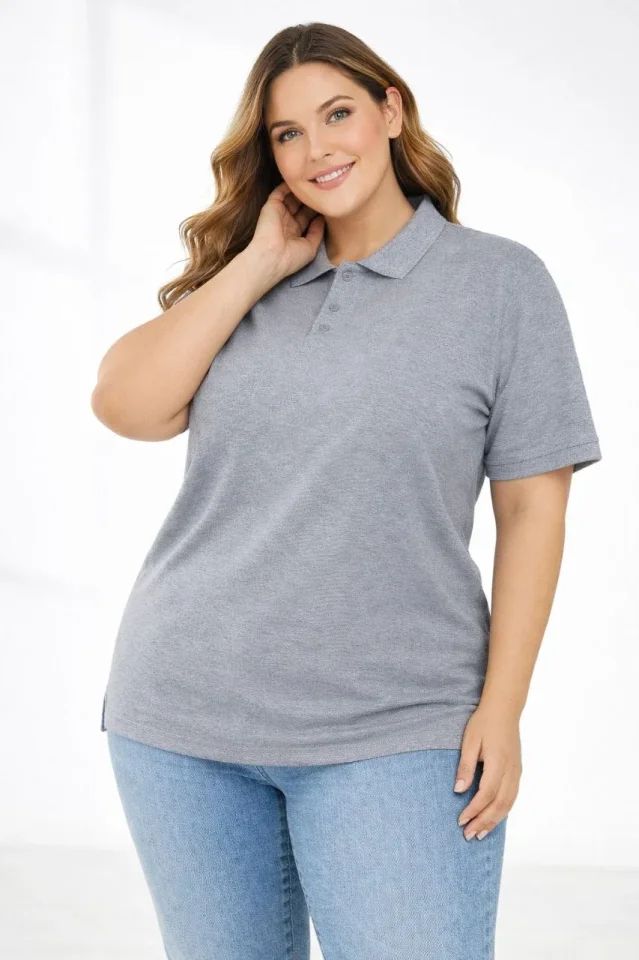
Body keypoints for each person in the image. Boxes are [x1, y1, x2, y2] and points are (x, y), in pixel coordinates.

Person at [91, 21, 602, 960]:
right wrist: (257, 264)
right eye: (287, 133)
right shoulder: (252, 281)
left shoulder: (498, 285)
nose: (316, 149)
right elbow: (123, 405)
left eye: (337, 115)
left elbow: (533, 506)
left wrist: (502, 708)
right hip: (185, 720)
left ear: (391, 111)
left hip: (398, 727)